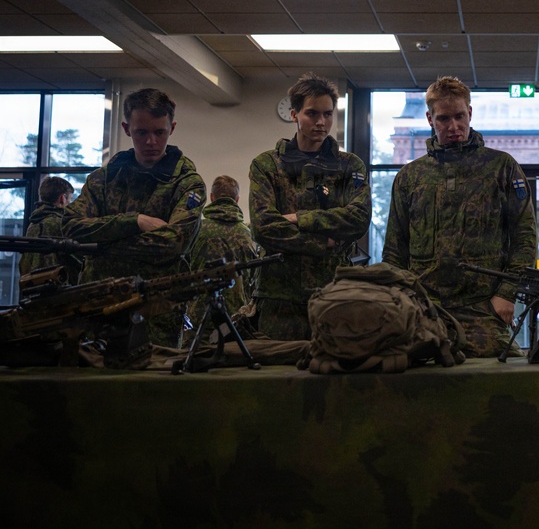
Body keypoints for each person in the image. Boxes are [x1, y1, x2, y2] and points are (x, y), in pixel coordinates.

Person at [382, 75, 537, 358]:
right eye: (443, 119)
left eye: (459, 116)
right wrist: (397, 301)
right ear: (430, 119)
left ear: (470, 113)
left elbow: (524, 237)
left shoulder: (501, 167)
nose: (453, 127)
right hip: (425, 309)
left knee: (504, 384)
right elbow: (394, 249)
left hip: (485, 309)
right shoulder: (411, 176)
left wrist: (507, 293)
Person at [63, 88, 206, 346]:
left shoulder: (186, 183)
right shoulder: (104, 179)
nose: (151, 141)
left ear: (171, 128)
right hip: (99, 308)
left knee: (151, 385)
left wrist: (100, 246)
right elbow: (71, 226)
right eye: (142, 132)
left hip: (155, 314)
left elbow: (174, 243)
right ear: (127, 129)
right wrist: (135, 221)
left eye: (159, 132)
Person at [249, 72, 371, 340]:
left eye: (328, 114)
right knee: (278, 375)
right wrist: (324, 242)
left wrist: (301, 219)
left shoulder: (349, 165)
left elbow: (359, 218)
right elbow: (263, 227)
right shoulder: (268, 165)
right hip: (279, 295)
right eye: (312, 114)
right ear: (294, 114)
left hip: (333, 292)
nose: (321, 122)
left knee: (335, 373)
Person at [183, 175, 261, 346]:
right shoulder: (248, 234)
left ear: (212, 197)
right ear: (237, 199)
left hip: (197, 316)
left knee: (193, 363)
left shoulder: (196, 230)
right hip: (234, 318)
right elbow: (253, 279)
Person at [18, 176, 83, 284]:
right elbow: (78, 259)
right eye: (69, 199)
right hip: (57, 287)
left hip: (32, 285)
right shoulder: (61, 223)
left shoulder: (33, 224)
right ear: (62, 198)